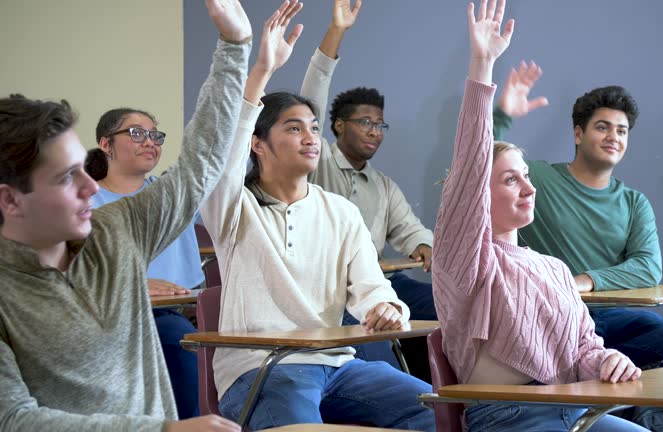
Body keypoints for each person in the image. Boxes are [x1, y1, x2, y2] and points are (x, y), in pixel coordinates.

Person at [0, 1, 282, 430]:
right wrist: (166, 430)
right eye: (65, 177)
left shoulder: (117, 229)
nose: (90, 187)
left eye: (84, 167)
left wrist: (233, 45)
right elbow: (15, 419)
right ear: (10, 201)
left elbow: (200, 161)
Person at [199, 3, 435, 429]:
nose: (310, 137)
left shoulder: (340, 212)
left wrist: (386, 308)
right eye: (293, 128)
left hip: (338, 364)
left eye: (312, 127)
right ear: (258, 143)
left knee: (435, 412)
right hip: (262, 369)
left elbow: (372, 288)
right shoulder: (232, 207)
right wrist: (262, 71)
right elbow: (225, 152)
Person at [432, 1, 648, 430]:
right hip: (509, 415)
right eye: (511, 180)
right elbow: (473, 160)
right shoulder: (466, 261)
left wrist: (608, 360)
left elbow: (584, 348)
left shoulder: (552, 268)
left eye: (527, 177)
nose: (530, 188)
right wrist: (482, 65)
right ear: (478, 192)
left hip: (575, 409)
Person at [492, 30, 663, 432]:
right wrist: (502, 115)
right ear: (578, 134)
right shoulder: (537, 179)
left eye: (622, 130)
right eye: (602, 127)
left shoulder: (634, 203)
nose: (613, 137)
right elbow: (480, 162)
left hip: (614, 318)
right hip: (554, 324)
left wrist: (584, 280)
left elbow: (648, 268)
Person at [299, 0, 436, 375]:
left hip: (382, 283)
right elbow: (311, 98)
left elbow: (410, 230)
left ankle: (451, 396)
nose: (375, 131)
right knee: (377, 346)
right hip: (332, 288)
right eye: (365, 123)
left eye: (379, 125)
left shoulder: (383, 186)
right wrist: (336, 32)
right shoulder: (316, 161)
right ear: (339, 126)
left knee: (451, 308)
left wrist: (424, 245)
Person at [85, 105, 205, 418]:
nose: (149, 142)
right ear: (106, 143)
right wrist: (133, 282)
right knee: (175, 337)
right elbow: (71, 271)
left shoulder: (172, 196)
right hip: (114, 312)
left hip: (185, 310)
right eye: (136, 133)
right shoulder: (84, 202)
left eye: (155, 135)